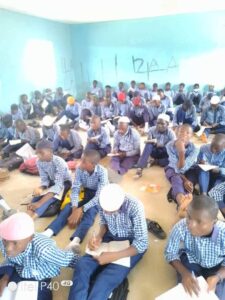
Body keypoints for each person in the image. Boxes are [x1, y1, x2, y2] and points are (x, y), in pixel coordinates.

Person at [68, 184, 148, 300]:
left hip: (131, 244)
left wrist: (114, 256)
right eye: (104, 209)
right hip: (109, 236)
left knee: (105, 280)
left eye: (110, 211)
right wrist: (99, 237)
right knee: (82, 265)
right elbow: (104, 222)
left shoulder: (135, 206)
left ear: (120, 204)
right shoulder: (102, 200)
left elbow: (142, 243)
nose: (106, 212)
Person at [0, 212, 79, 300]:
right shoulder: (3, 241)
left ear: (30, 239)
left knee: (40, 296)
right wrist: (5, 277)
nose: (8, 248)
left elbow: (70, 260)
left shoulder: (44, 251)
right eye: (5, 241)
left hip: (40, 275)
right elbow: (10, 260)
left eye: (15, 243)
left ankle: (71, 248)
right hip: (20, 269)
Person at [42, 150, 109, 252]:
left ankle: (75, 241)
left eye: (83, 161)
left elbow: (98, 197)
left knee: (90, 214)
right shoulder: (79, 169)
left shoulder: (102, 172)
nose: (80, 163)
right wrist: (74, 208)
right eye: (81, 160)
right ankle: (49, 232)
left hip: (99, 195)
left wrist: (81, 209)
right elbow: (75, 189)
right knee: (68, 207)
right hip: (85, 191)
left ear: (93, 164)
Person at [165, 195, 225, 300]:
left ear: (214, 222)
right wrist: (184, 273)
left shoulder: (223, 233)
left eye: (199, 221)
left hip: (217, 265)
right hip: (191, 260)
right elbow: (170, 253)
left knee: (217, 296)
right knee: (187, 293)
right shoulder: (180, 227)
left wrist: (217, 277)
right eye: (189, 216)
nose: (191, 225)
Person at [27, 139, 72, 219]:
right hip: (52, 181)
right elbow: (44, 179)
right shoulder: (39, 162)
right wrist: (42, 187)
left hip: (64, 182)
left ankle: (33, 217)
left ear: (50, 152)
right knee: (37, 196)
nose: (38, 156)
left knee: (51, 198)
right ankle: (27, 214)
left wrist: (39, 203)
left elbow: (58, 185)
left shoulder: (59, 162)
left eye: (41, 153)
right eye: (37, 153)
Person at [165, 124, 199, 218]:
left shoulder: (195, 149)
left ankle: (182, 205)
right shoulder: (169, 145)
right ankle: (182, 202)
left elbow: (184, 168)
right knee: (176, 178)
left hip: (189, 170)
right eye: (181, 132)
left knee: (190, 183)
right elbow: (177, 169)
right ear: (176, 133)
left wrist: (186, 181)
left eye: (187, 133)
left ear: (191, 135)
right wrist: (181, 152)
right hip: (173, 169)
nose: (184, 135)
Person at [134, 114, 176, 178]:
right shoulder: (151, 130)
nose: (159, 126)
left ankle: (155, 161)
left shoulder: (171, 133)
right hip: (155, 150)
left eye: (162, 124)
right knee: (148, 145)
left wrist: (161, 145)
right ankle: (140, 168)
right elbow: (149, 142)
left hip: (165, 152)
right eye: (158, 123)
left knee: (169, 162)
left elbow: (172, 147)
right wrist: (151, 141)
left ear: (167, 124)